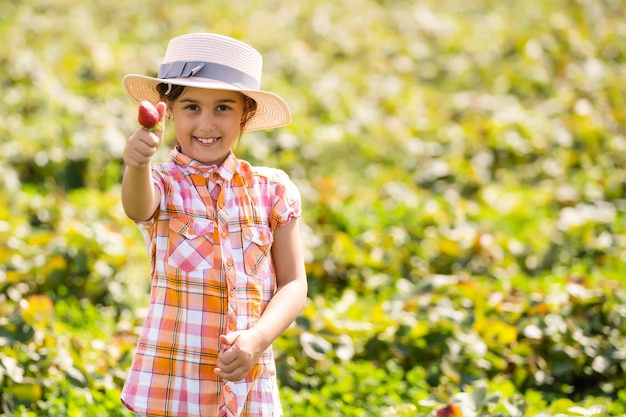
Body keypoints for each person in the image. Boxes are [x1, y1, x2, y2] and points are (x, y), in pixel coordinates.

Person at [119, 33, 307, 417]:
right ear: (167, 110)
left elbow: (293, 283)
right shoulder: (162, 183)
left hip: (247, 371)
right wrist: (136, 165)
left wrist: (259, 338)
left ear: (246, 114)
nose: (206, 123)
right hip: (173, 380)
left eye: (223, 107)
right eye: (191, 106)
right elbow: (138, 208)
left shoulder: (272, 190)